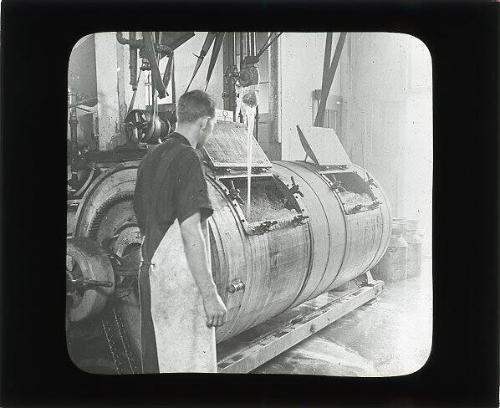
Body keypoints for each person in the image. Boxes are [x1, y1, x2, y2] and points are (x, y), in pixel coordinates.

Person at [133, 90, 227, 373]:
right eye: (211, 126)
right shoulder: (188, 158)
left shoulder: (150, 157)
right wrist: (210, 294)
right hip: (179, 280)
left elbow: (141, 217)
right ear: (204, 123)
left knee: (157, 361)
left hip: (151, 272)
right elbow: (191, 233)